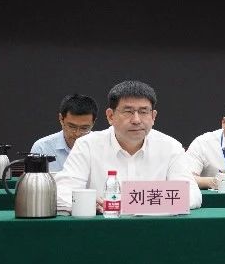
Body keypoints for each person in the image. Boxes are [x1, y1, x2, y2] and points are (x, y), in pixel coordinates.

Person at [55, 80, 201, 212]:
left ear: (153, 117)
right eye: (128, 111)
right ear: (110, 116)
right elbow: (62, 193)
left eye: (143, 112)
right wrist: (87, 204)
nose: (136, 120)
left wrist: (134, 201)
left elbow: (192, 195)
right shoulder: (87, 145)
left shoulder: (171, 147)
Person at [30, 93, 97, 172]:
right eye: (72, 126)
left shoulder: (102, 147)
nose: (77, 133)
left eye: (84, 128)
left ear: (93, 123)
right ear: (61, 119)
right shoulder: (42, 148)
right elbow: (34, 179)